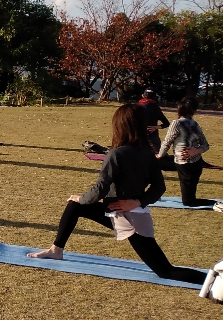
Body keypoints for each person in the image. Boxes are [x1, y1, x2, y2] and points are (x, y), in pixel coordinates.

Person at [27, 104, 207, 285]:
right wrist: (138, 201)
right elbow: (159, 187)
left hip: (131, 219)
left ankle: (214, 280)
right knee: (75, 206)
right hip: (118, 213)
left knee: (165, 271)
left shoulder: (117, 154)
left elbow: (101, 188)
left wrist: (134, 202)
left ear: (120, 126)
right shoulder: (146, 152)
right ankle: (56, 250)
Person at [157, 97, 216, 208]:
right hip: (189, 163)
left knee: (189, 202)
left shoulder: (176, 123)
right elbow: (205, 145)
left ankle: (217, 204)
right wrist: (197, 150)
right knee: (154, 163)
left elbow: (167, 142)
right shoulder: (194, 124)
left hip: (187, 167)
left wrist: (160, 155)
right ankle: (155, 192)